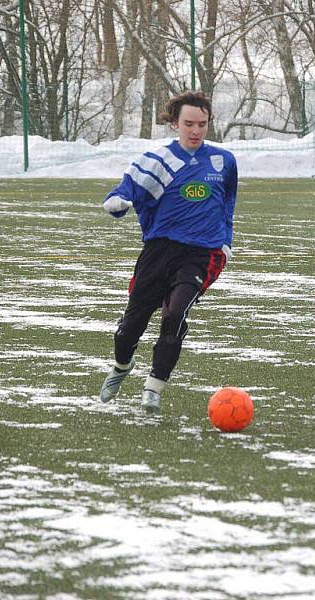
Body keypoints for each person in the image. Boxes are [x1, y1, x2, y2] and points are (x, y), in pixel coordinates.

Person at [99, 91, 237, 415]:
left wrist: (226, 242)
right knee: (130, 327)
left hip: (201, 253)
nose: (196, 130)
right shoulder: (155, 161)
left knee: (175, 314)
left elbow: (227, 205)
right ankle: (122, 364)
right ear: (175, 123)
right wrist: (116, 203)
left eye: (202, 124)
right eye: (189, 123)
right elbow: (123, 192)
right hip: (158, 251)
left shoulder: (223, 161)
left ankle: (154, 388)